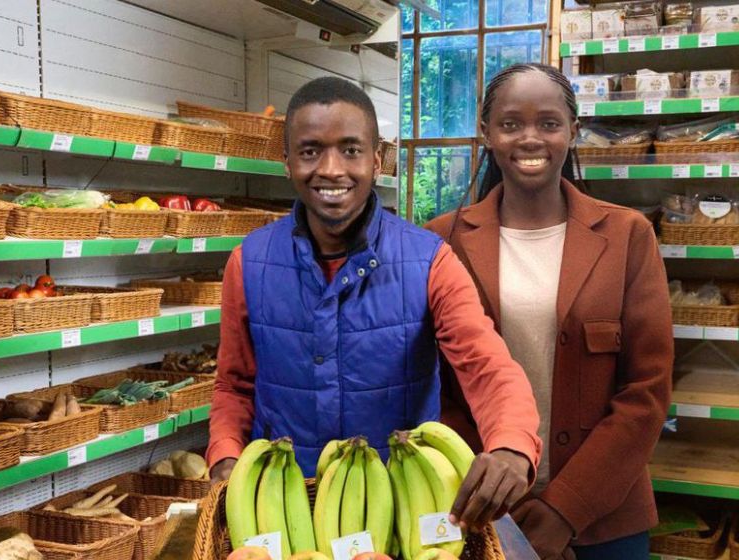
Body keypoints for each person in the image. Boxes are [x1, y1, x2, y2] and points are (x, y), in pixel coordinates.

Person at [207, 76, 543, 530]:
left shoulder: (429, 261)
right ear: (286, 161)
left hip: (402, 508)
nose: (330, 169)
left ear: (376, 158)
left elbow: (487, 366)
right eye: (309, 151)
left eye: (350, 149)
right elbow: (234, 385)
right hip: (288, 511)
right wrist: (225, 456)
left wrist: (512, 443)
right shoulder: (249, 263)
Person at [425, 63, 673, 559]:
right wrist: (496, 482)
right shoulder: (442, 239)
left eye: (549, 123)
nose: (530, 138)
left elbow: (646, 392)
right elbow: (435, 383)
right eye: (511, 123)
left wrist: (565, 508)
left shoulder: (626, 236)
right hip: (483, 509)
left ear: (573, 131)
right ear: (486, 132)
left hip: (605, 519)